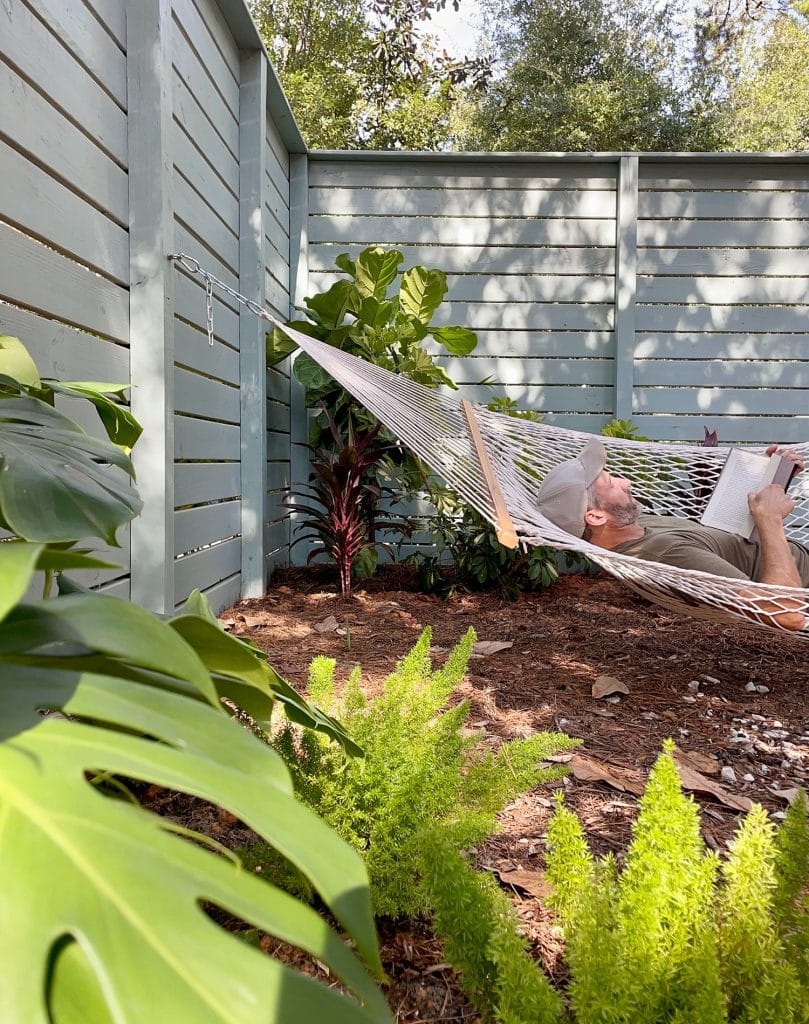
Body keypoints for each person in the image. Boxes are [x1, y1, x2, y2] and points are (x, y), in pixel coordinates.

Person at [535, 437, 809, 630]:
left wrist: (765, 476)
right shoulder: (664, 554)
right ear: (595, 516)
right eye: (611, 483)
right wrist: (770, 519)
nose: (626, 481)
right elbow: (786, 612)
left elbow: (726, 536)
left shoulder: (633, 524)